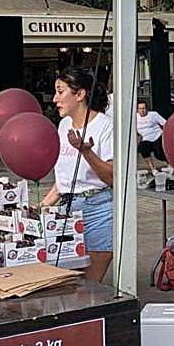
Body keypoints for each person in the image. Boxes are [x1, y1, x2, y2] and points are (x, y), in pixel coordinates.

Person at [40, 68, 115, 282]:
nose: (55, 99)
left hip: (98, 207)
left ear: (80, 95)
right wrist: (43, 205)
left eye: (60, 92)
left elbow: (113, 177)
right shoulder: (63, 126)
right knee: (67, 279)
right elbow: (64, 178)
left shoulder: (105, 126)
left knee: (88, 283)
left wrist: (86, 152)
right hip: (66, 209)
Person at [135, 99, 168, 172]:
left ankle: (171, 165)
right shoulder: (134, 117)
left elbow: (165, 124)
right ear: (137, 109)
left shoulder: (153, 114)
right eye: (140, 109)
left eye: (143, 108)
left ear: (146, 108)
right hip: (145, 138)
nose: (142, 110)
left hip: (157, 135)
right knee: (143, 148)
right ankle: (153, 169)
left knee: (159, 154)